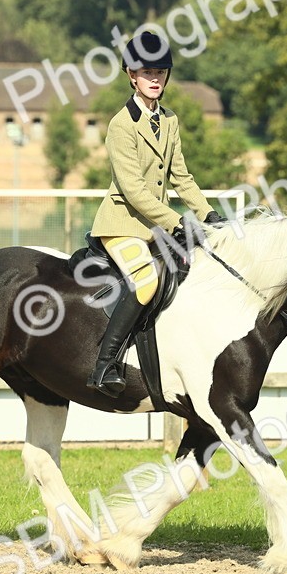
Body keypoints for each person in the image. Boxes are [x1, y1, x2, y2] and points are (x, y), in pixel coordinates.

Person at [87, 31, 224, 397]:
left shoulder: (170, 119)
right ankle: (106, 364)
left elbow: (181, 175)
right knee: (146, 281)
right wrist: (178, 221)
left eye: (160, 71)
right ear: (132, 75)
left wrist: (208, 214)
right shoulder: (121, 124)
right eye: (147, 71)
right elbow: (133, 190)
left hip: (153, 226)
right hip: (121, 224)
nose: (154, 77)